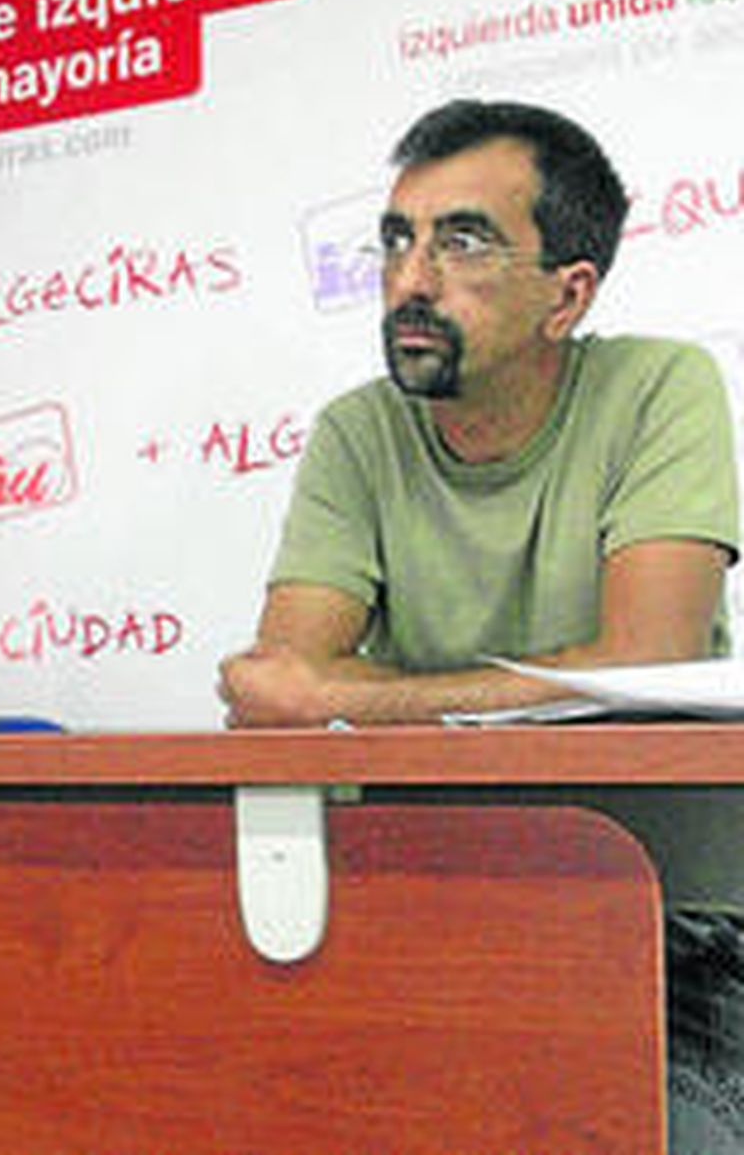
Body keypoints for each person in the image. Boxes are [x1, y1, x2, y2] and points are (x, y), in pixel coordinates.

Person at [217, 100, 740, 1151]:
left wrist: (349, 693)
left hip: (671, 910)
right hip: (434, 896)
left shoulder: (660, 385)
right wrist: (326, 692)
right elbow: (277, 691)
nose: (410, 279)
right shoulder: (358, 433)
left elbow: (650, 656)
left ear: (567, 293)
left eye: (462, 241)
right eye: (397, 239)